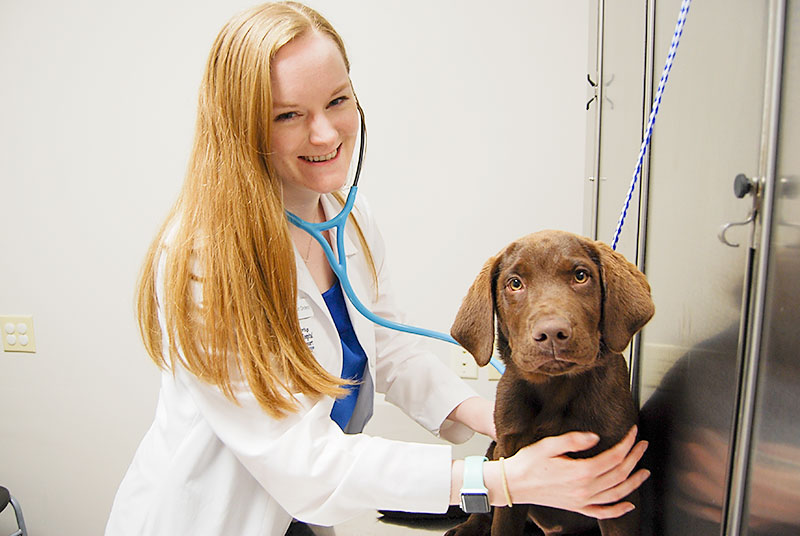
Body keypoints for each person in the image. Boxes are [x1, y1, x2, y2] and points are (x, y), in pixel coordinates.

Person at [105, 2, 650, 534]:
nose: (326, 134)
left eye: (337, 101)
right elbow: (303, 462)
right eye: (288, 114)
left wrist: (503, 422)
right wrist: (499, 480)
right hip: (216, 516)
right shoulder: (206, 260)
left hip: (302, 515)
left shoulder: (346, 216)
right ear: (239, 126)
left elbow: (387, 348)